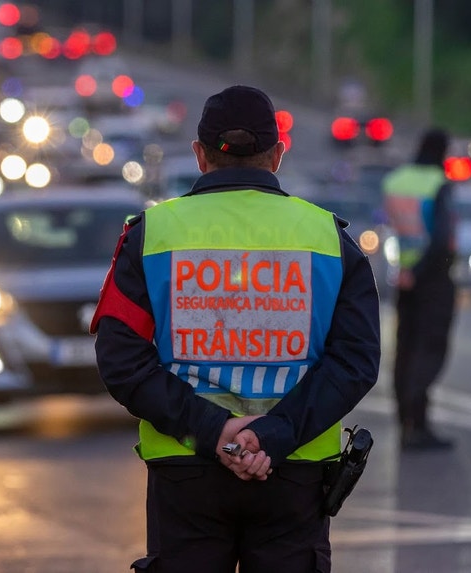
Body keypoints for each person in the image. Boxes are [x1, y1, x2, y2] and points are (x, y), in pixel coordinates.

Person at [90, 85, 381, 572]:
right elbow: (356, 361)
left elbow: (122, 360)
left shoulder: (152, 234)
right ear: (278, 155)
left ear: (199, 155)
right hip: (294, 473)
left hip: (186, 470)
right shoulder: (330, 239)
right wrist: (273, 434)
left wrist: (213, 430)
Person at [382, 128, 457, 451]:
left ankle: (408, 421)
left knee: (406, 349)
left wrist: (406, 271)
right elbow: (441, 240)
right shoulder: (437, 184)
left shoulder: (396, 181)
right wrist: (422, 270)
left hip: (404, 278)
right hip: (432, 279)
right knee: (430, 349)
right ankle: (416, 422)